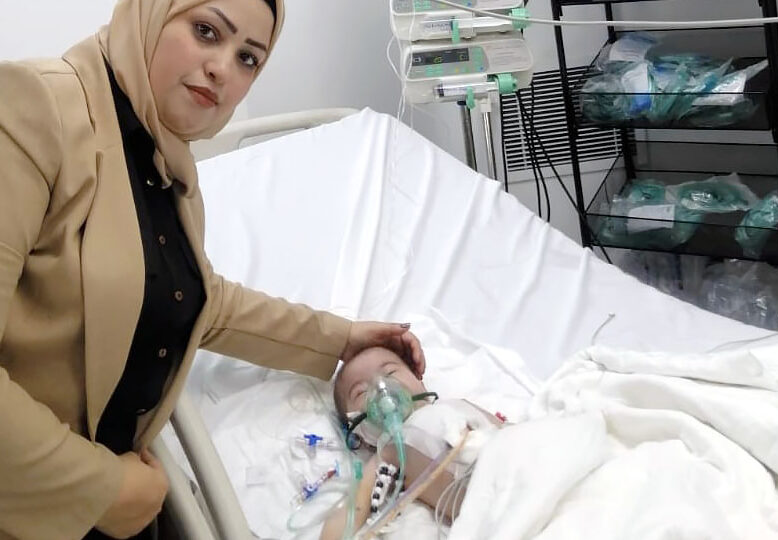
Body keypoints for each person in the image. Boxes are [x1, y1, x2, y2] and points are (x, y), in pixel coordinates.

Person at [0, 1, 425, 539]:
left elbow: (202, 300)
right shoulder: (33, 108)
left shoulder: (166, 166)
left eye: (248, 58)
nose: (223, 67)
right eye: (206, 31)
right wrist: (105, 489)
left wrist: (341, 339)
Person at [321, 347, 501, 539]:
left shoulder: (458, 403)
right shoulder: (387, 454)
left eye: (390, 372)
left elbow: (511, 431)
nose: (381, 387)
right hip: (494, 509)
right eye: (361, 392)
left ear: (418, 379)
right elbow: (352, 511)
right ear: (355, 427)